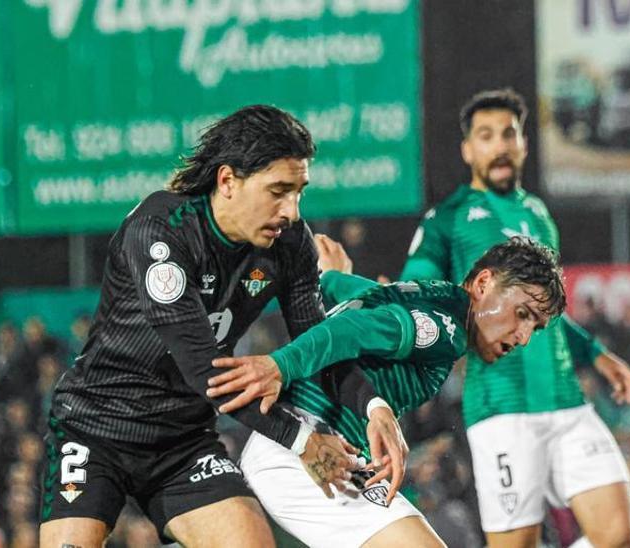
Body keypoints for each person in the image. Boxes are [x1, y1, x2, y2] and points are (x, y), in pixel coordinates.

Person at [39, 105, 397, 547]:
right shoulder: (160, 232)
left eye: (299, 192)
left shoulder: (290, 245)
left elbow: (318, 345)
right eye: (278, 192)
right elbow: (205, 370)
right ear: (228, 181)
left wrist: (373, 407)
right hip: (95, 430)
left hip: (183, 443)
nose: (291, 210)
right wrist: (303, 439)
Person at [209, 235, 567, 547]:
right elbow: (353, 326)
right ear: (484, 283)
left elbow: (361, 298)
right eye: (522, 313)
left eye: (535, 328)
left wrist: (332, 277)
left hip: (312, 451)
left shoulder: (431, 295)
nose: (522, 336)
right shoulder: (446, 330)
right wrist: (280, 366)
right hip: (304, 448)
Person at [402, 88, 630, 547]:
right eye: (487, 136)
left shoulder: (538, 213)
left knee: (619, 536)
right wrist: (411, 297)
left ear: (524, 144)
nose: (501, 145)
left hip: (566, 400)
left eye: (509, 134)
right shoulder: (447, 220)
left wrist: (597, 353)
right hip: (501, 408)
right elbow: (420, 283)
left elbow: (546, 314)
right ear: (468, 149)